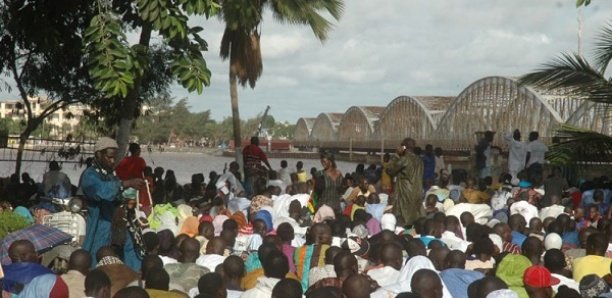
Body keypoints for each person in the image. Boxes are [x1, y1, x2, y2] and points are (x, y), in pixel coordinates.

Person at [81, 137, 144, 265]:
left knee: (131, 254)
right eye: (109, 157)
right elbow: (103, 192)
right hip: (99, 226)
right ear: (98, 155)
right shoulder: (89, 175)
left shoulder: (110, 174)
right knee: (97, 259)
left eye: (114, 158)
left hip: (116, 225)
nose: (112, 161)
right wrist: (126, 183)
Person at [386, 137, 424, 227]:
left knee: (403, 218)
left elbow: (390, 170)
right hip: (417, 192)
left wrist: (396, 155)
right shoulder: (420, 161)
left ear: (404, 147)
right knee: (414, 216)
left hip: (405, 192)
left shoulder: (404, 159)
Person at [115, 143, 151, 210]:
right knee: (133, 205)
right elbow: (146, 171)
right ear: (137, 150)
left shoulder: (124, 160)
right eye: (139, 150)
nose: (140, 152)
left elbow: (117, 172)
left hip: (123, 185)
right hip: (135, 186)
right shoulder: (140, 160)